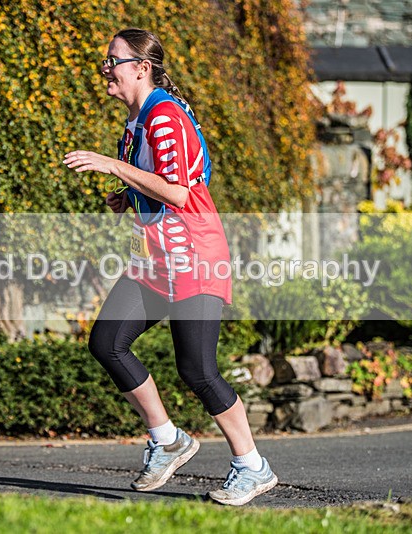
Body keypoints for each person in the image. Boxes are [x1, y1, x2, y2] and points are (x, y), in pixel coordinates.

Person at [62, 28, 277, 506]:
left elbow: (180, 192)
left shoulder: (163, 115)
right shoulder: (135, 123)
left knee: (197, 368)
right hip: (155, 259)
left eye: (112, 61)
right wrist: (128, 196)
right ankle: (168, 439)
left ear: (142, 67)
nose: (105, 70)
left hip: (195, 255)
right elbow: (157, 185)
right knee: (107, 342)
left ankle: (253, 466)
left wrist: (113, 167)